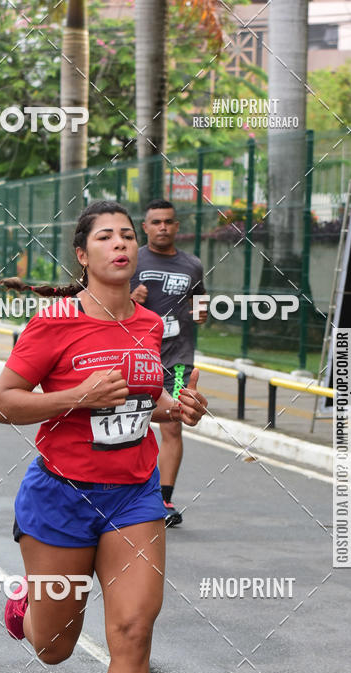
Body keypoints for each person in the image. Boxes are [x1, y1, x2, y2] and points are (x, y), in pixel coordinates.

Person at [0, 201, 207, 673]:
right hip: (62, 495)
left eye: (128, 236)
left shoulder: (148, 323)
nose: (121, 244)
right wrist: (77, 396)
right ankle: (29, 605)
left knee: (134, 632)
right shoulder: (54, 323)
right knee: (54, 649)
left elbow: (143, 398)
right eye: (106, 237)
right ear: (83, 256)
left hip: (133, 495)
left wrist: (176, 407)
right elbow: (1, 405)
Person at [130, 199, 206, 527]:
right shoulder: (131, 260)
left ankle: (164, 499)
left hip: (177, 359)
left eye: (168, 222)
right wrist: (129, 298)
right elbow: (103, 301)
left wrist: (201, 311)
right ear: (145, 227)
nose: (162, 227)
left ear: (177, 226)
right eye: (156, 222)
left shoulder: (192, 265)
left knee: (173, 422)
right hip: (136, 357)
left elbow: (200, 299)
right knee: (131, 423)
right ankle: (130, 491)